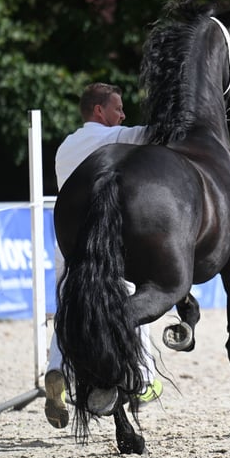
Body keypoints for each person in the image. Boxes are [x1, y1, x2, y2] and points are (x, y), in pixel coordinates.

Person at [44, 82, 163, 429]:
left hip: (65, 239)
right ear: (99, 111)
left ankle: (56, 370)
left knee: (70, 308)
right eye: (118, 108)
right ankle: (144, 376)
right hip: (102, 240)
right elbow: (152, 134)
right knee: (132, 297)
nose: (123, 114)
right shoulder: (107, 140)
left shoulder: (66, 145)